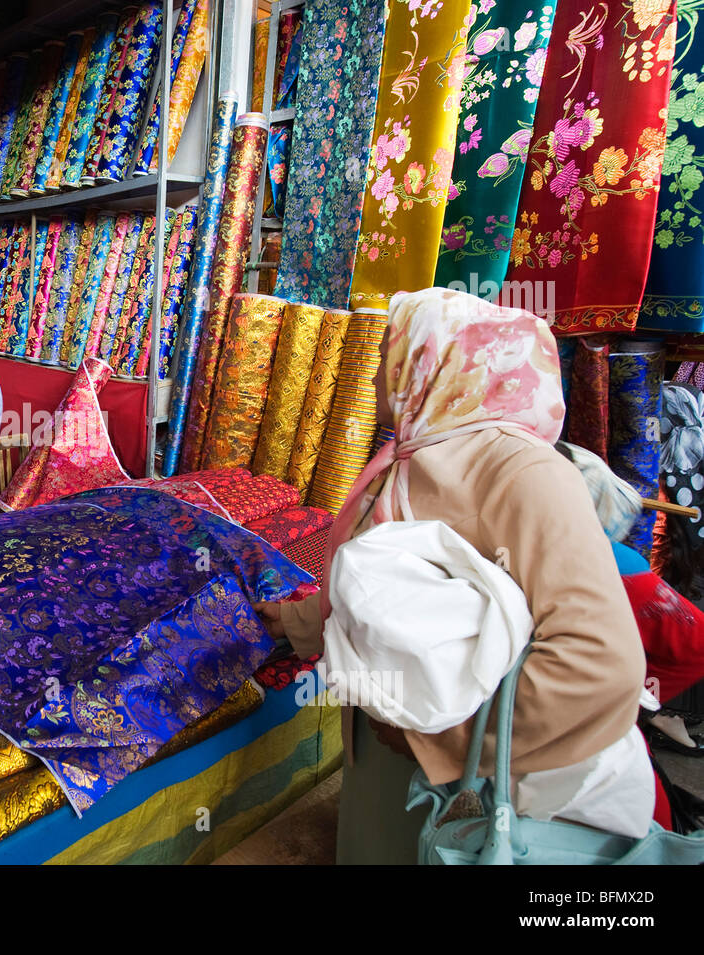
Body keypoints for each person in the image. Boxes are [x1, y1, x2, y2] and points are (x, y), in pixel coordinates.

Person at [256, 287, 649, 863]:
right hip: (397, 757)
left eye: (392, 352)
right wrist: (293, 621)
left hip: (490, 783)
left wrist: (434, 740)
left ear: (438, 361)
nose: (373, 377)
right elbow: (387, 590)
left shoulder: (522, 471)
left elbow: (600, 663)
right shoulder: (417, 456)